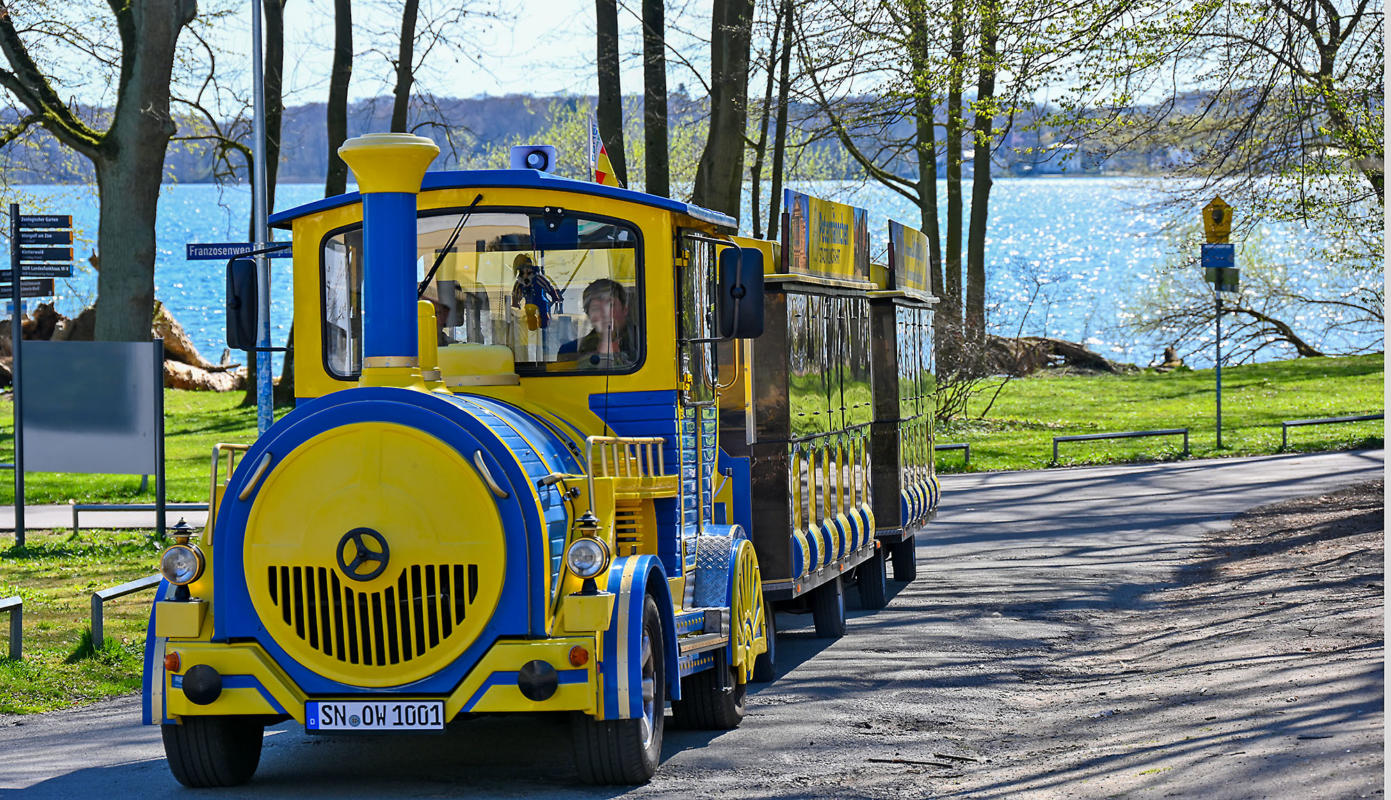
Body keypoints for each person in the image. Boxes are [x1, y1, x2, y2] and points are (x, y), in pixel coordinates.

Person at [559, 278, 636, 367]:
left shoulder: (646, 344)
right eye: (595, 308)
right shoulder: (569, 351)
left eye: (610, 305)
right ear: (589, 315)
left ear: (625, 309)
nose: (604, 313)